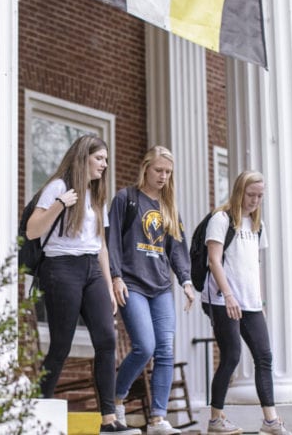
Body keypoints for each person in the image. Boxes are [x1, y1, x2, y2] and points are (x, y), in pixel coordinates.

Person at [27, 134, 140, 435]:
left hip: (91, 269)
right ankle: (37, 412)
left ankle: (108, 420)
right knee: (61, 345)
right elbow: (32, 230)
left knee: (106, 339)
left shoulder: (95, 192)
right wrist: (59, 205)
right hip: (61, 267)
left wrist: (107, 284)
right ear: (83, 157)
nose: (104, 164)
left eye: (105, 159)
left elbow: (100, 245)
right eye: (99, 158)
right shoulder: (58, 187)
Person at [107, 146, 195, 435]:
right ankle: (115, 400)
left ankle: (157, 418)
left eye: (168, 172)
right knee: (144, 346)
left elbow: (177, 251)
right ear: (146, 167)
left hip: (161, 288)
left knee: (165, 351)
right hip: (132, 284)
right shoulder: (126, 198)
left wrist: (186, 281)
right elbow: (112, 243)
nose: (163, 176)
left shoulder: (169, 208)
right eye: (159, 170)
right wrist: (115, 277)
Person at [201, 170, 292, 435]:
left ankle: (271, 421)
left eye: (260, 196)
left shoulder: (257, 225)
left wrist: (259, 300)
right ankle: (216, 420)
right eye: (251, 195)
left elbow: (254, 265)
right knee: (231, 356)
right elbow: (214, 261)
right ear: (240, 191)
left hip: (250, 303)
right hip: (222, 300)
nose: (255, 200)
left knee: (264, 357)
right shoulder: (221, 219)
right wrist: (229, 295)